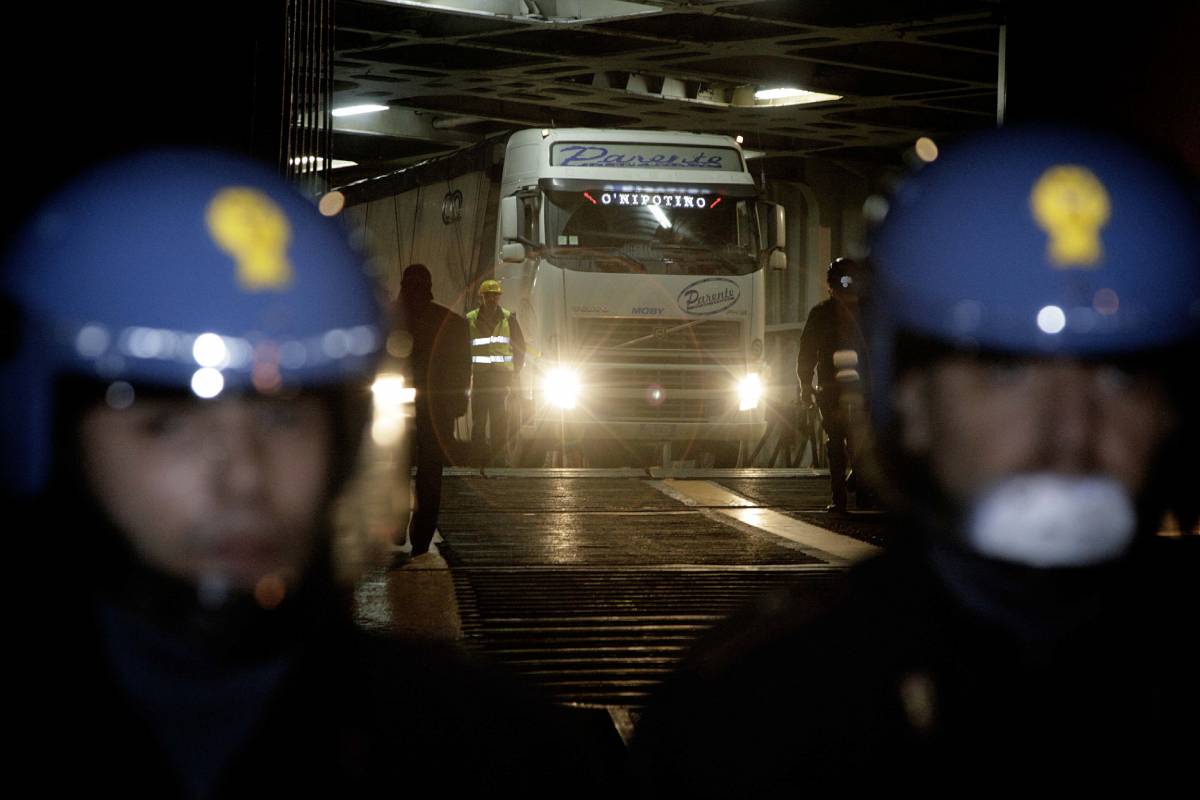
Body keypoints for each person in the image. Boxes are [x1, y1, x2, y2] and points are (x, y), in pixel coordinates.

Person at [3, 149, 617, 796]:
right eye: (168, 425)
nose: (243, 479)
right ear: (46, 436)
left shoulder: (500, 755)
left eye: (283, 420)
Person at [631, 124, 1200, 792]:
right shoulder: (754, 712)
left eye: (1119, 376)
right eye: (1004, 370)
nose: (1070, 431)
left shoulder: (756, 689)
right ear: (910, 401)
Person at [394, 263, 470, 559]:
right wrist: (458, 402)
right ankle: (421, 536)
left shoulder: (386, 318)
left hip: (394, 406)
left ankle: (396, 524)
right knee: (430, 472)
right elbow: (462, 367)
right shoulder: (450, 322)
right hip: (436, 407)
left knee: (395, 465)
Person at [796, 257, 871, 512]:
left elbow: (806, 352)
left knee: (835, 440)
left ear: (829, 285)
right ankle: (858, 485)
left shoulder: (820, 313)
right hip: (862, 386)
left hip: (830, 386)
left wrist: (805, 385)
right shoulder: (869, 313)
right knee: (859, 437)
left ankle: (839, 498)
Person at [467, 278, 525, 469]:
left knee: (499, 420)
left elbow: (519, 347)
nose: (492, 299)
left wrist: (516, 370)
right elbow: (461, 348)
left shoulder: (508, 318)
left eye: (495, 295)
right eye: (488, 295)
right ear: (482, 297)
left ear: (499, 297)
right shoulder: (470, 319)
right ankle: (478, 460)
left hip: (500, 378)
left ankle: (497, 460)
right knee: (479, 421)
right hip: (481, 377)